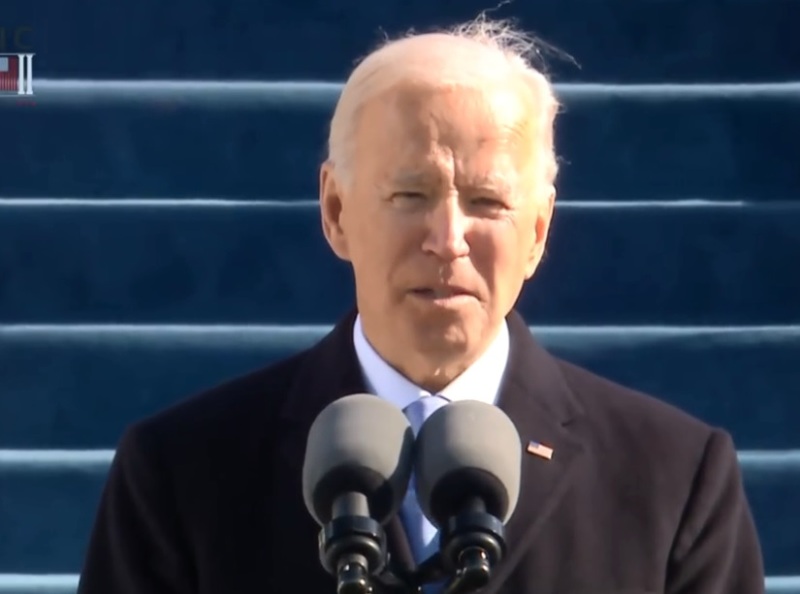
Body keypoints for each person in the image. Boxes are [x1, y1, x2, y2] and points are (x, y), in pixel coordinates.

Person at [76, 17, 765, 594]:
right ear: (336, 210)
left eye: (488, 203)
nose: (447, 240)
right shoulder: (181, 473)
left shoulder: (673, 481)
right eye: (411, 196)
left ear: (538, 232)